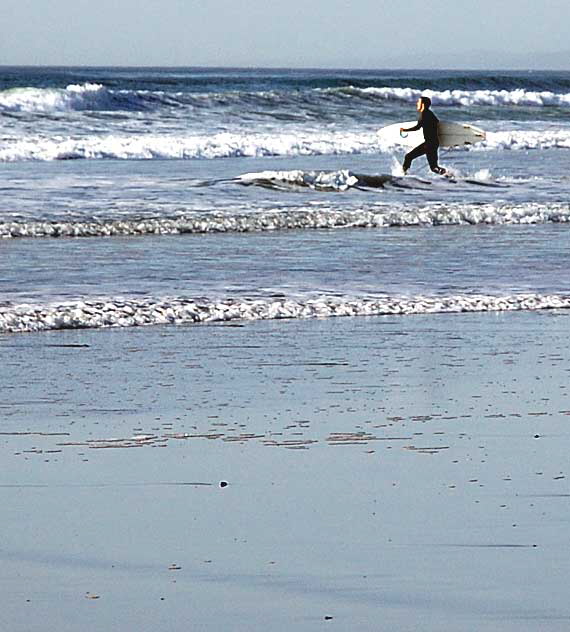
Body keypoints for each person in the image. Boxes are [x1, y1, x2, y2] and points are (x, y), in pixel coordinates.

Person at [400, 97, 446, 175]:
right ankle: (449, 175)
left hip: (429, 144)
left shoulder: (424, 114)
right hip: (434, 143)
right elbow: (437, 122)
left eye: (418, 102)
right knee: (434, 167)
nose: (417, 104)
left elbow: (417, 127)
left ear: (423, 104)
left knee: (408, 157)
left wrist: (405, 130)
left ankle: (403, 175)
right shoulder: (430, 113)